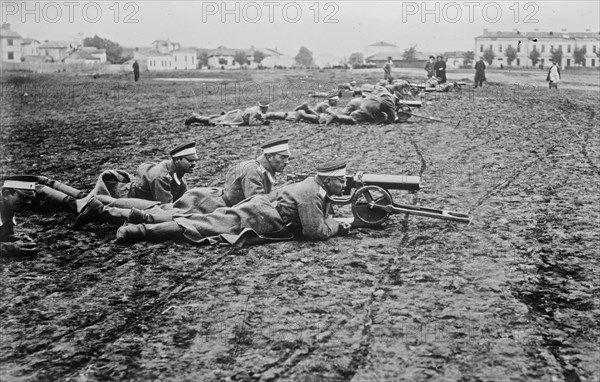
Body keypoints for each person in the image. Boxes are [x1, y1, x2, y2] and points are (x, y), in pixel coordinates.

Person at [114, 160, 353, 246]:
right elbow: (315, 232)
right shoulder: (311, 193)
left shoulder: (311, 184)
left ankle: (144, 217)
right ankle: (137, 231)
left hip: (259, 208)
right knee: (203, 226)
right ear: (328, 180)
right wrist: (337, 224)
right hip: (261, 218)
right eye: (341, 181)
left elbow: (275, 195)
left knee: (203, 220)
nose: (344, 185)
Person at [75, 139, 293, 227]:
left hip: (208, 199)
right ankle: (102, 207)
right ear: (271, 156)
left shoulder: (251, 166)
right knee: (161, 214)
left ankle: (98, 204)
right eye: (283, 158)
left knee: (159, 211)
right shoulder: (254, 172)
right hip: (207, 204)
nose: (286, 162)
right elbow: (256, 204)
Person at [79, 142, 199, 210]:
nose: (194, 164)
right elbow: (167, 208)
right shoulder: (161, 177)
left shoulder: (174, 170)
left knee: (83, 197)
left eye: (195, 160)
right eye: (190, 161)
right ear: (177, 160)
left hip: (135, 197)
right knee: (83, 202)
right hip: (121, 198)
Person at [0, 176, 39, 258]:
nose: (28, 202)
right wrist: (10, 248)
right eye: (23, 197)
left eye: (30, 198)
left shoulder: (8, 209)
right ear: (6, 194)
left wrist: (13, 238)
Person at [184, 101, 271, 126]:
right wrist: (261, 124)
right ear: (265, 107)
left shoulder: (256, 109)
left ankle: (197, 117)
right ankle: (195, 117)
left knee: (218, 118)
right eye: (267, 107)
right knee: (214, 120)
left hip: (236, 115)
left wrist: (262, 120)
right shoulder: (256, 111)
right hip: (237, 118)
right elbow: (251, 122)